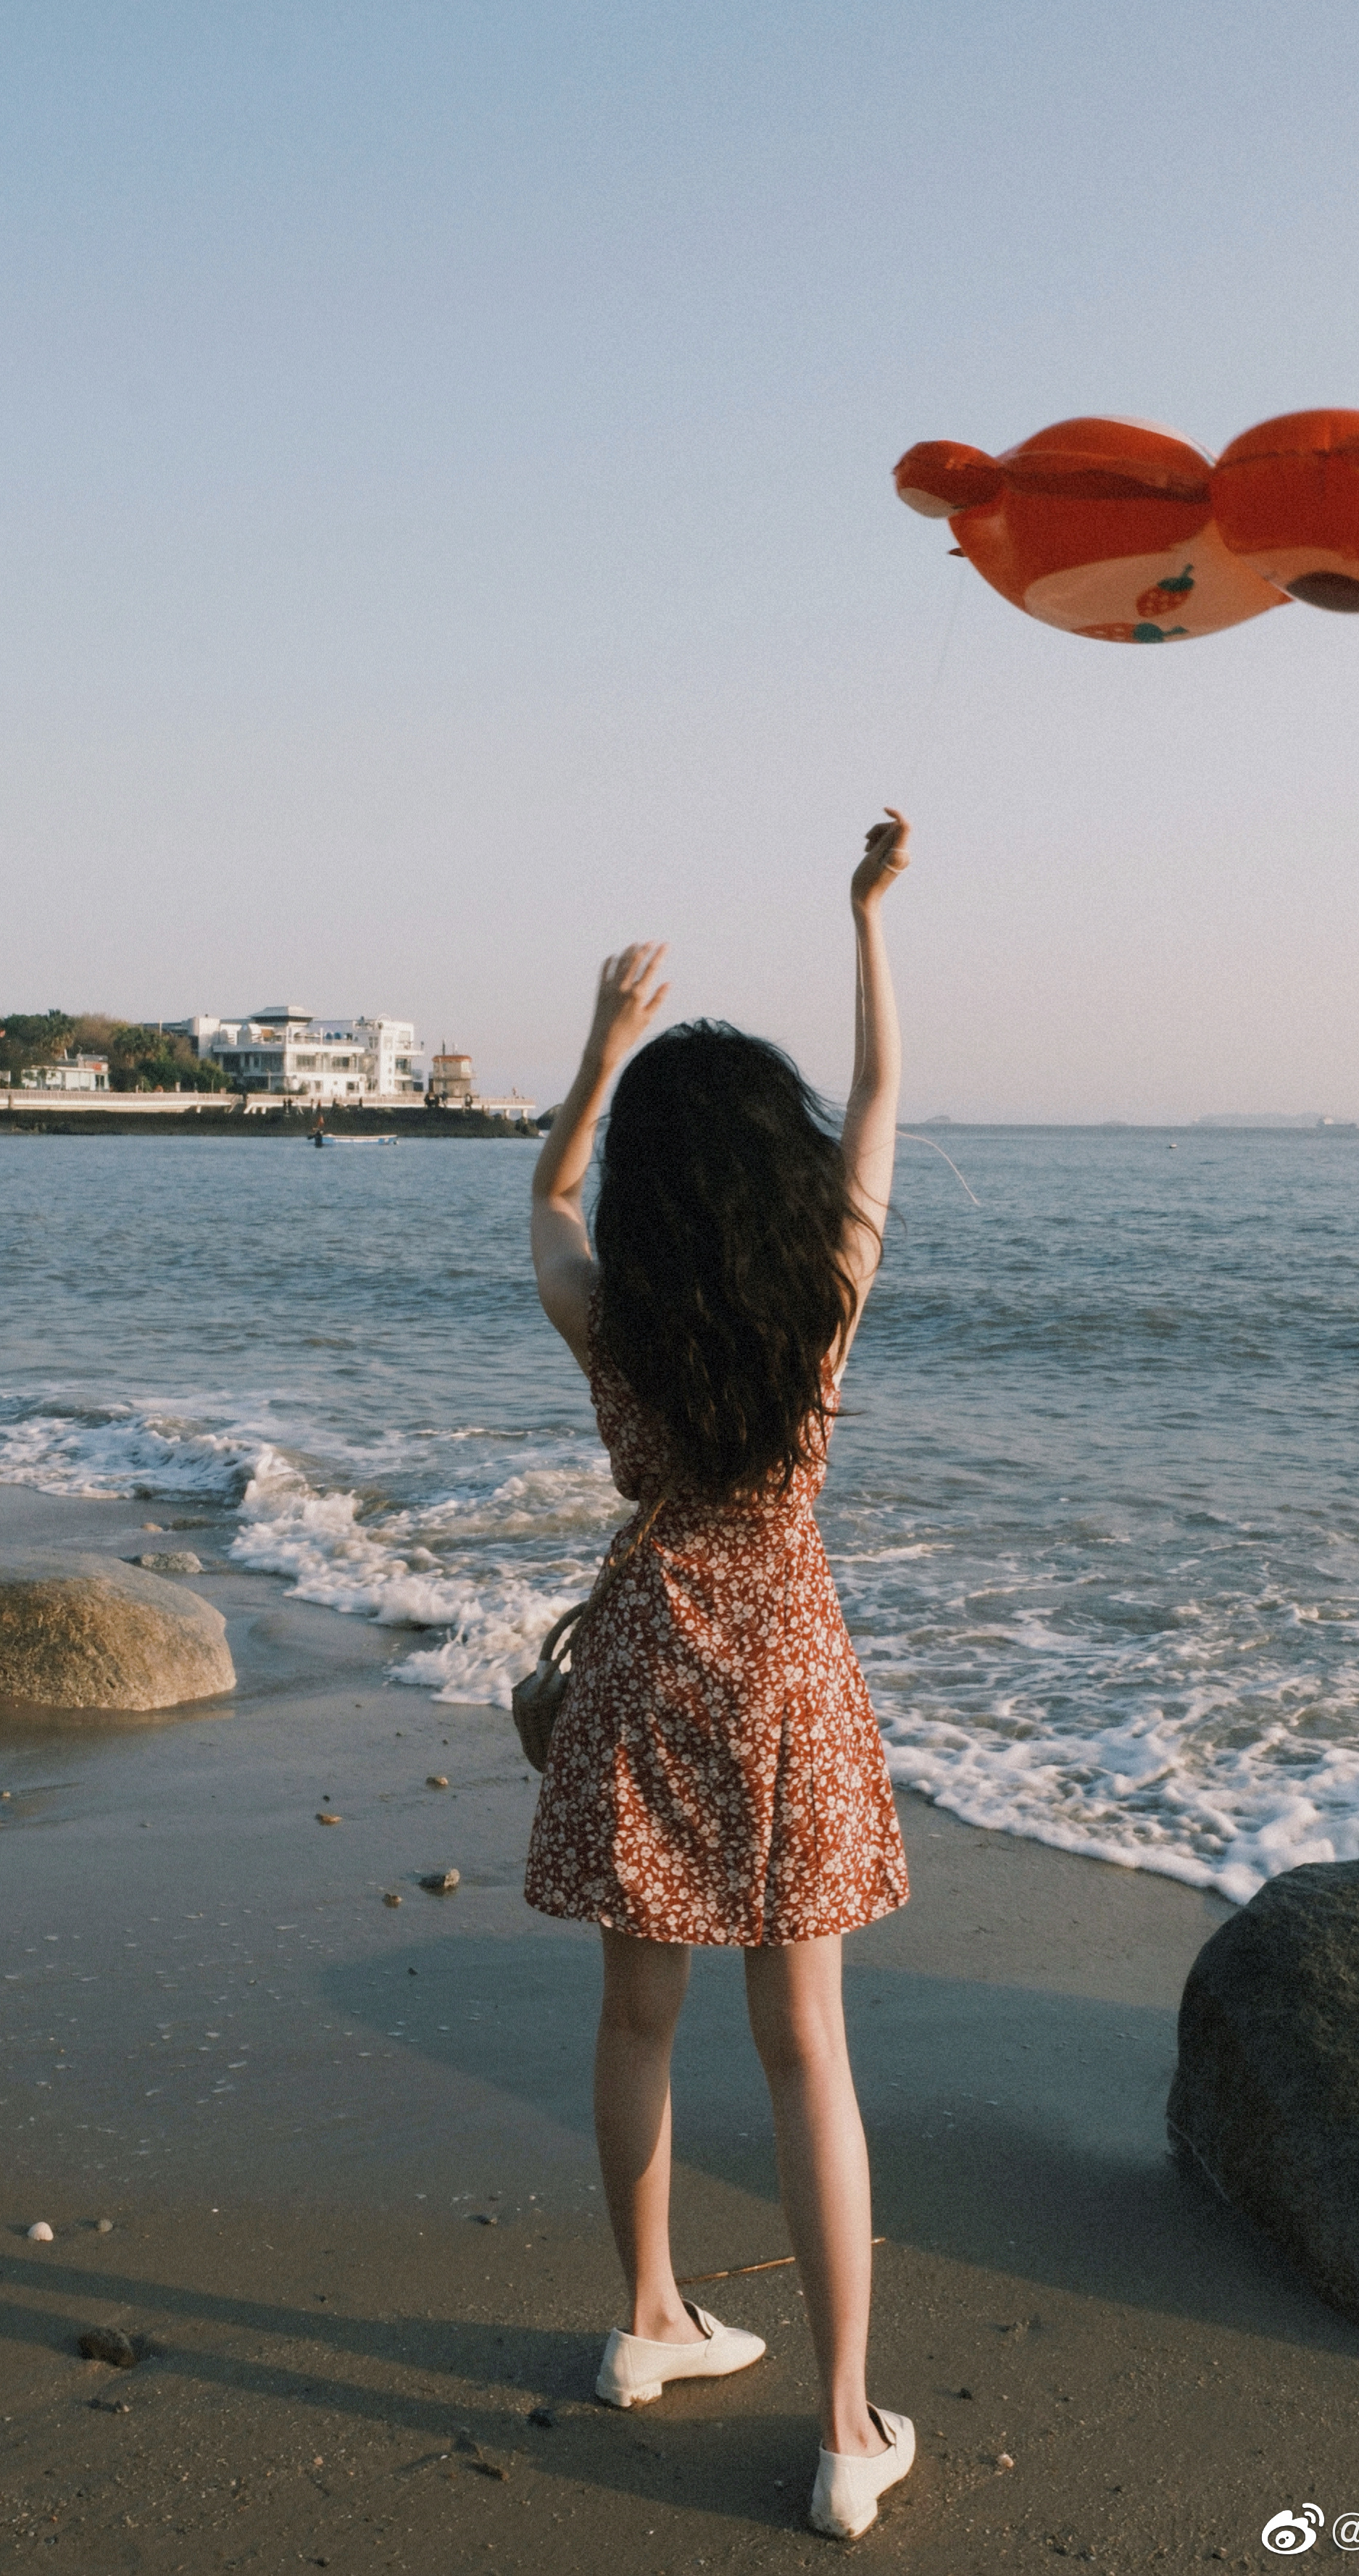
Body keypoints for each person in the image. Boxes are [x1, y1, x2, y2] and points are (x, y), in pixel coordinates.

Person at [524, 810, 916, 2540]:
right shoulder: (821, 1287)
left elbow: (543, 1196)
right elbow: (881, 1111)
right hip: (787, 1687)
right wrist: (866, 924)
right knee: (807, 2051)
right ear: (775, 1166)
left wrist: (599, 1055)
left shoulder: (610, 1315)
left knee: (637, 2020)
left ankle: (648, 2320)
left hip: (640, 1675)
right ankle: (843, 2429)